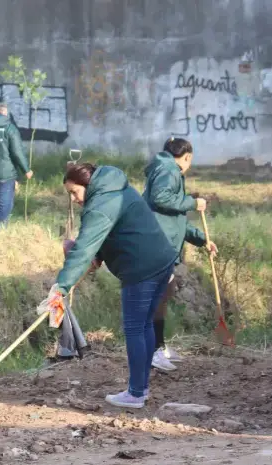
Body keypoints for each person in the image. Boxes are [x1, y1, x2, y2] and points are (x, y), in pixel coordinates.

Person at [52, 163, 178, 409]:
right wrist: (98, 255)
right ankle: (141, 388)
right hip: (162, 261)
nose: (75, 199)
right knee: (144, 325)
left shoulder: (99, 206)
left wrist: (61, 287)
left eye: (75, 192)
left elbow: (84, 248)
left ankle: (136, 393)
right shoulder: (114, 187)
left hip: (141, 269)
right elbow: (114, 231)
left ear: (88, 186)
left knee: (134, 329)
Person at [142, 137, 218, 372]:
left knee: (166, 292)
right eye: (190, 160)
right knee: (159, 296)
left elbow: (177, 221)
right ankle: (154, 351)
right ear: (186, 157)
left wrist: (202, 240)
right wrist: (192, 202)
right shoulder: (170, 170)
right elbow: (161, 198)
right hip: (157, 245)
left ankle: (160, 346)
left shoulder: (165, 169)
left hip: (162, 242)